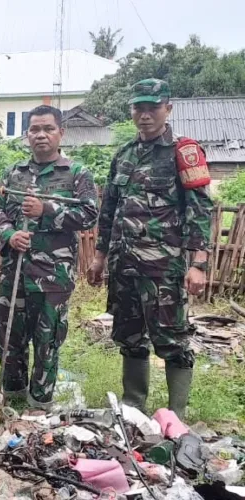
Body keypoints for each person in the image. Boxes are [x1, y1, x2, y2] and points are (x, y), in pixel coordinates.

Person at [88, 79, 212, 419]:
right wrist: (99, 257)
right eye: (138, 108)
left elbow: (200, 209)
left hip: (164, 268)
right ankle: (133, 408)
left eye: (152, 108)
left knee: (172, 340)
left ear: (167, 109)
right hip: (124, 265)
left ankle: (177, 414)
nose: (144, 115)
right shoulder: (124, 155)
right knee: (129, 337)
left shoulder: (183, 151)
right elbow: (109, 211)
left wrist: (198, 263)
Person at [0, 105, 99, 410]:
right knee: (9, 339)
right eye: (35, 129)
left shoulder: (76, 174)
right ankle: (11, 399)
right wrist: (9, 234)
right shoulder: (14, 173)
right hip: (15, 273)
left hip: (52, 277)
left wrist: (46, 210)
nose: (41, 135)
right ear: (27, 135)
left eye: (48, 128)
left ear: (60, 132)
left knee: (47, 341)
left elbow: (89, 215)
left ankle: (39, 404)